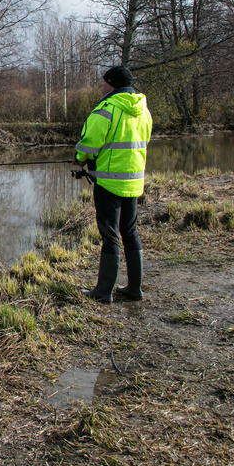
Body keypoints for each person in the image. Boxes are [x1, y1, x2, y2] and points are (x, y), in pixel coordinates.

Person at [74, 66, 153, 303]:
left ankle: (103, 291)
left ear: (112, 84)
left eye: (104, 82)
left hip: (109, 182)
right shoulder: (143, 110)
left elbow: (89, 144)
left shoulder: (106, 110)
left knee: (110, 235)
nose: (101, 86)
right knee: (130, 232)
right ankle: (134, 289)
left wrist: (79, 158)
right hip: (134, 181)